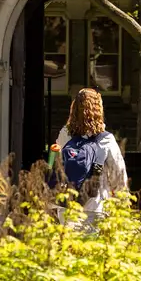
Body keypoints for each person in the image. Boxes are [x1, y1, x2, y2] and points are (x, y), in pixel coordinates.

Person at [53, 88, 128, 216]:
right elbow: (119, 178)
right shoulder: (106, 140)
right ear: (99, 111)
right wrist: (123, 206)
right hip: (95, 208)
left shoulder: (65, 134)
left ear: (74, 109)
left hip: (67, 208)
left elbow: (58, 166)